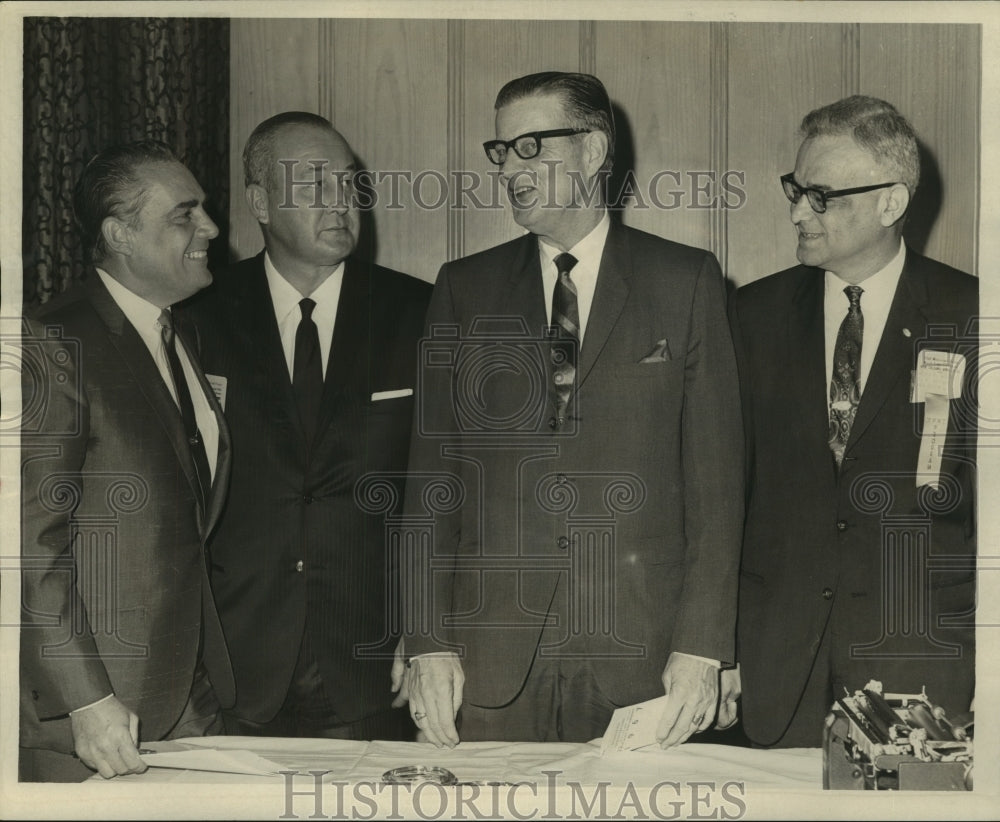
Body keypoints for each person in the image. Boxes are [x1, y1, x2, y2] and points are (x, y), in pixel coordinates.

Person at [395, 72, 744, 747]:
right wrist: (426, 640)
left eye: (530, 147)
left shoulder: (687, 281)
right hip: (489, 664)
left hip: (645, 659)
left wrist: (704, 647)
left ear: (591, 151)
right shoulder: (464, 289)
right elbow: (430, 483)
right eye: (501, 152)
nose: (509, 169)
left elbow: (718, 490)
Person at [726, 95, 977, 747]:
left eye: (821, 195)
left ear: (890, 203)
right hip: (775, 670)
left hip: (918, 672)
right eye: (795, 189)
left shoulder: (975, 317)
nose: (796, 211)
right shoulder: (748, 317)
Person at [182, 112, 431, 739]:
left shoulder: (421, 311)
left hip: (376, 665)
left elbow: (447, 492)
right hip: (232, 668)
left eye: (348, 184)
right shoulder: (195, 318)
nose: (341, 202)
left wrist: (428, 631)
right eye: (314, 185)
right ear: (260, 202)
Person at [19, 141, 234, 781]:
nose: (212, 228)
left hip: (188, 690)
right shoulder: (53, 340)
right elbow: (29, 541)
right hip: (97, 714)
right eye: (184, 214)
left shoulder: (182, 331)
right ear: (120, 235)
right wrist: (84, 695)